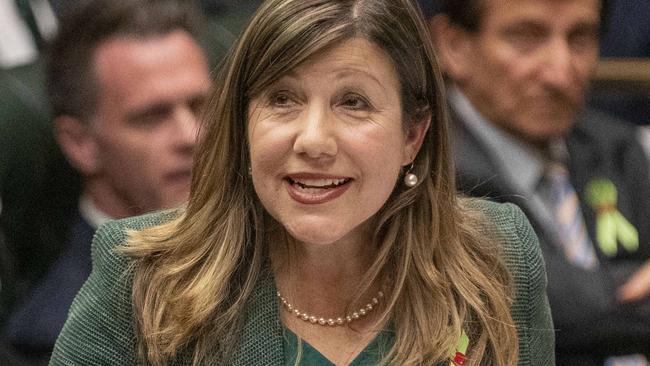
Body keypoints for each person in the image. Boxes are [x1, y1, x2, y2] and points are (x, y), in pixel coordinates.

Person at [50, 0, 554, 365]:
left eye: (353, 102)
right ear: (243, 123)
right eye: (282, 100)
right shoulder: (144, 279)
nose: (313, 140)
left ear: (413, 135)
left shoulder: (493, 257)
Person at [426, 0, 650, 363]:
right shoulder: (427, 169)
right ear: (454, 46)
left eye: (579, 38)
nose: (559, 73)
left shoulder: (614, 147)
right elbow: (537, 302)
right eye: (527, 38)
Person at [3, 0, 212, 362]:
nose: (191, 136)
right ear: (81, 144)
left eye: (200, 106)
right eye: (152, 117)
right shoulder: (64, 339)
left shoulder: (290, 246)